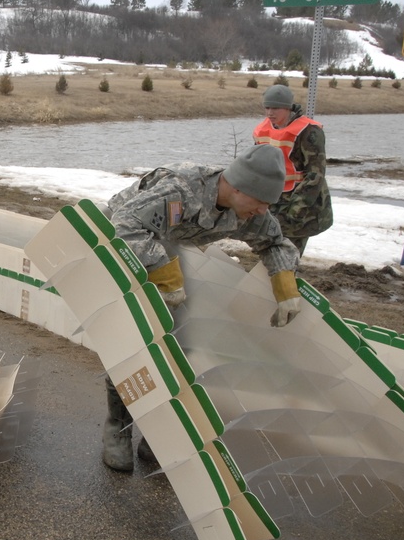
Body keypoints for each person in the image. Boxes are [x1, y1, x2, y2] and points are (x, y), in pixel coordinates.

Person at [101, 143, 301, 472]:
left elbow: (275, 242)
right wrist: (165, 276)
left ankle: (156, 429)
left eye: (270, 203)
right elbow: (125, 226)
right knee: (135, 343)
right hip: (122, 240)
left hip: (165, 240)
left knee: (180, 342)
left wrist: (285, 284)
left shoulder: (248, 210)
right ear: (237, 187)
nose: (264, 210)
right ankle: (117, 428)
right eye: (261, 201)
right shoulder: (181, 189)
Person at [252, 84, 333, 255]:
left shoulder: (309, 131)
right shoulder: (262, 130)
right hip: (273, 200)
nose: (270, 113)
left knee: (288, 254)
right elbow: (255, 165)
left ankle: (286, 279)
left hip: (300, 202)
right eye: (267, 107)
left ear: (288, 108)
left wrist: (296, 211)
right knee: (267, 249)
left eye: (275, 108)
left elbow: (315, 175)